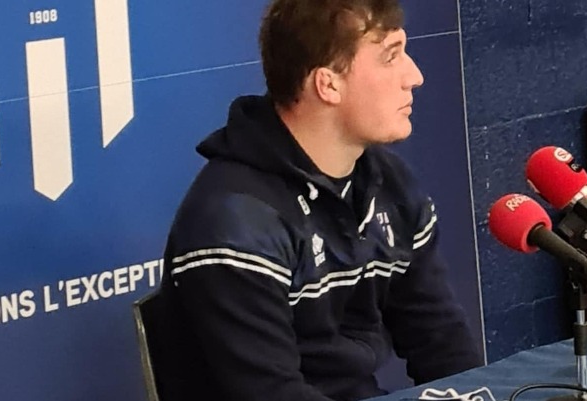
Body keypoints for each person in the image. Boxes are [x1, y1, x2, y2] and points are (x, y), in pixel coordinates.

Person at [158, 0, 482, 399]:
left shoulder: (388, 183)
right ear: (327, 85)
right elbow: (270, 393)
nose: (414, 76)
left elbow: (440, 340)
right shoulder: (234, 220)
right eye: (390, 57)